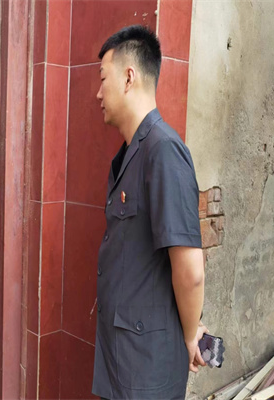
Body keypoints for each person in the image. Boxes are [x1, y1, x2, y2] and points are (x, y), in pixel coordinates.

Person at [93, 25, 208, 399]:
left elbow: (190, 271)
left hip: (147, 369)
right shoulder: (130, 154)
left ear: (129, 78)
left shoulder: (163, 151)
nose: (98, 93)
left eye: (103, 79)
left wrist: (189, 337)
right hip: (123, 358)